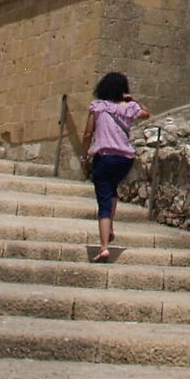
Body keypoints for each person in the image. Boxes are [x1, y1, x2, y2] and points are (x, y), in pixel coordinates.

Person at [80, 70, 145, 261]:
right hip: (125, 159)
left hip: (105, 157)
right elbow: (146, 113)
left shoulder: (98, 107)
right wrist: (134, 99)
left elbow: (87, 134)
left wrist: (84, 158)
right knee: (112, 190)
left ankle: (104, 247)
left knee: (104, 202)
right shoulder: (129, 107)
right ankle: (110, 228)